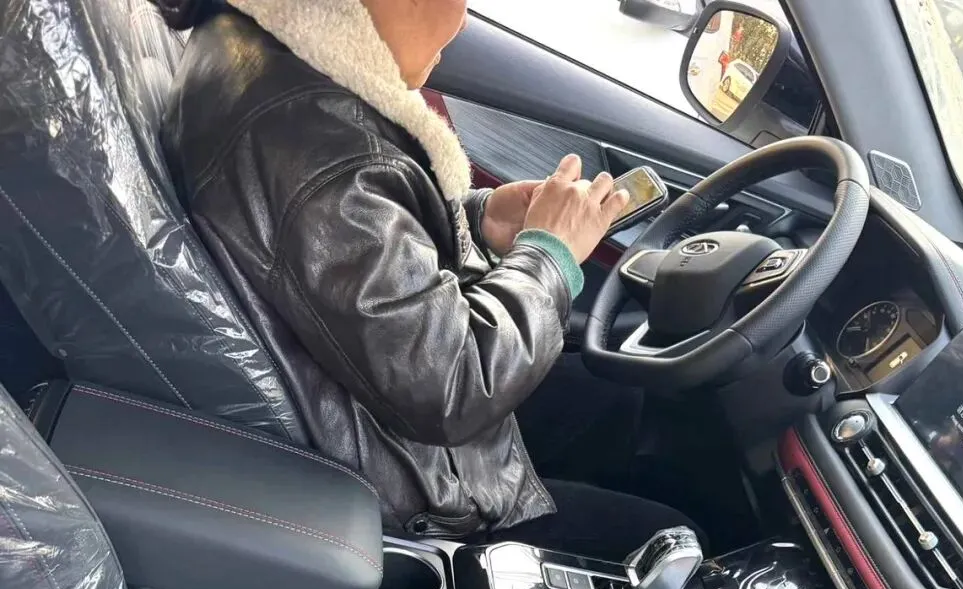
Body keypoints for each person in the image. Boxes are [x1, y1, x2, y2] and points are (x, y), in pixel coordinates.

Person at [152, 0, 701, 559]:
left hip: (384, 406)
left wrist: (479, 219)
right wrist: (549, 255)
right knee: (672, 534)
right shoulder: (319, 153)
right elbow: (453, 386)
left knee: (622, 397)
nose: (462, 21)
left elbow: (358, 247)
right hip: (419, 492)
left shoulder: (258, 49)